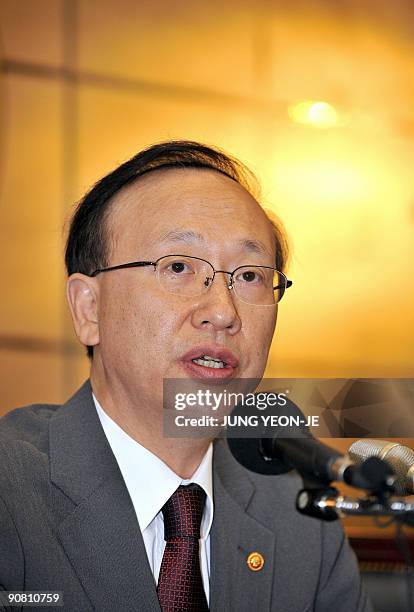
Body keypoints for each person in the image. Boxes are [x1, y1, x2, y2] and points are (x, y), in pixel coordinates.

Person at [0, 141, 372, 611]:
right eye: (178, 267)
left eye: (251, 276)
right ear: (88, 308)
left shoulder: (299, 515)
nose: (223, 312)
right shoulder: (10, 491)